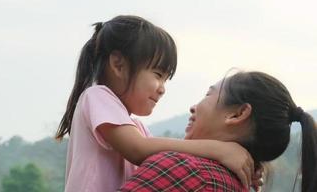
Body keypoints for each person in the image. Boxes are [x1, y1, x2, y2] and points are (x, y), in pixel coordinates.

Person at [55, 15, 256, 192]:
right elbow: (139, 149)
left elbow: (172, 156)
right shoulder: (97, 96)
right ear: (119, 64)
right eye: (158, 75)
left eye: (166, 79)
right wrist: (221, 151)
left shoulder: (138, 128)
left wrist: (242, 164)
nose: (162, 88)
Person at [119, 71, 317, 192]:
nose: (193, 107)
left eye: (208, 94)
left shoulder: (186, 170)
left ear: (237, 114)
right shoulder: (239, 184)